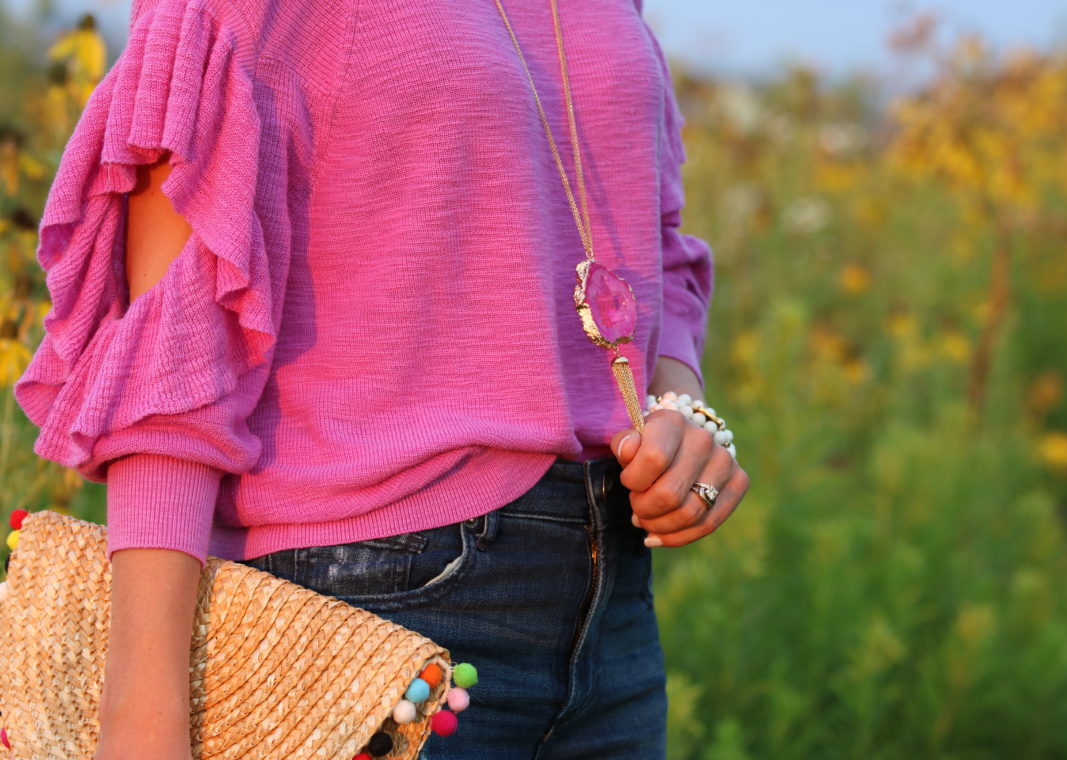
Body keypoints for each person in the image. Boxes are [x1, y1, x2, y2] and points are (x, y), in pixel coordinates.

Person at [12, 0, 750, 756]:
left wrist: (679, 410)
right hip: (366, 609)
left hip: (612, 615)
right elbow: (174, 348)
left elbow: (648, 237)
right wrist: (141, 722)